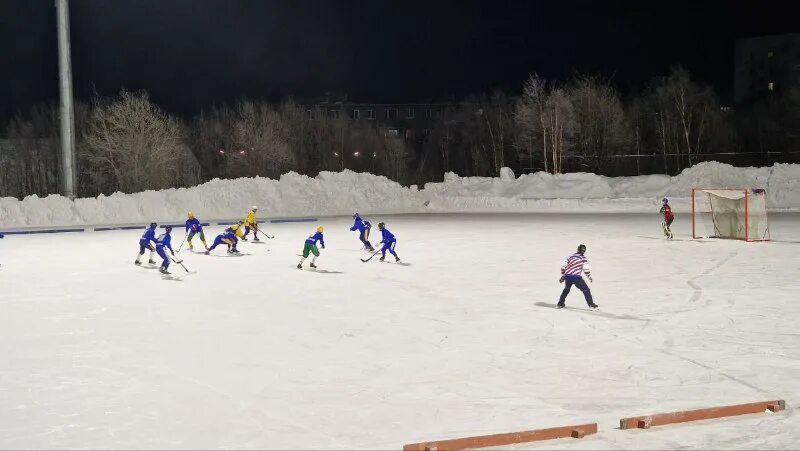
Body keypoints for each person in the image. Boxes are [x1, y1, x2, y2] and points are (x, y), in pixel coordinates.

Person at [558, 244, 598, 309]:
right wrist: (589, 277)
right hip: (576, 277)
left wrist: (563, 275)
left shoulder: (570, 256)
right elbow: (586, 269)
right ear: (584, 251)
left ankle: (560, 303)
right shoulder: (583, 258)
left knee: (566, 289)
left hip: (567, 276)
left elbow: (563, 267)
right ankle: (591, 304)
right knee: (586, 290)